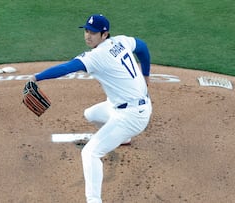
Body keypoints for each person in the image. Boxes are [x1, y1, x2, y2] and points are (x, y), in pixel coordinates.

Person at [29, 14, 152, 203]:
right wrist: (146, 74)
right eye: (86, 31)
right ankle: (125, 137)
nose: (88, 36)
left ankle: (94, 200)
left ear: (104, 35)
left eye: (93, 33)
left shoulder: (97, 56)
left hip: (131, 116)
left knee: (89, 152)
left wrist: (37, 77)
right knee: (91, 114)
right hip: (129, 106)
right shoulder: (121, 41)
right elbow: (142, 47)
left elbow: (68, 67)